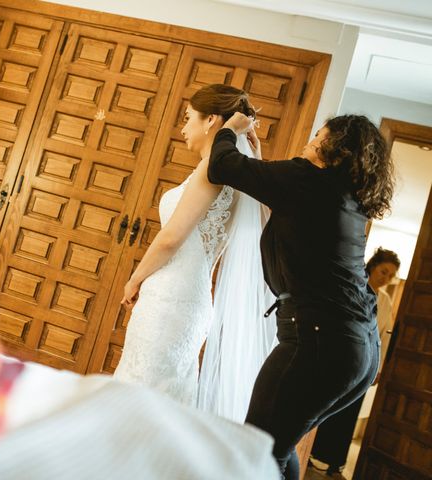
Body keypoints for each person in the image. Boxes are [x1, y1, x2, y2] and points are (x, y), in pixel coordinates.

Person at [207, 113, 394, 479]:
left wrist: (230, 128)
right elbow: (284, 209)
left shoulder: (307, 180)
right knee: (276, 446)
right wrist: (261, 165)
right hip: (356, 350)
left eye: (318, 135)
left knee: (258, 448)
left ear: (336, 147)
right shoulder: (345, 196)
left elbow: (222, 164)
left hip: (321, 342)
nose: (310, 138)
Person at [113, 84, 276, 417]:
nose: (183, 128)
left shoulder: (211, 169)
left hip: (171, 300)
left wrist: (135, 279)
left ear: (211, 121)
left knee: (139, 395)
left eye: (188, 118)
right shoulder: (238, 171)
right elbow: (265, 217)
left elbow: (171, 238)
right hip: (193, 302)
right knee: (166, 399)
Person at [309, 247, 400, 478]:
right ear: (372, 266)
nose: (386, 278)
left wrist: (377, 368)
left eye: (390, 275)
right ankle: (312, 454)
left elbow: (383, 337)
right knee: (330, 408)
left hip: (365, 364)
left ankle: (335, 463)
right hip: (341, 360)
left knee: (350, 414)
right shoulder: (354, 288)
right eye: (383, 271)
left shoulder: (386, 301)